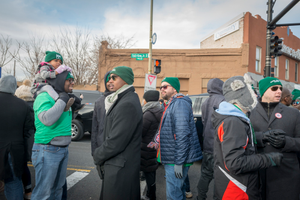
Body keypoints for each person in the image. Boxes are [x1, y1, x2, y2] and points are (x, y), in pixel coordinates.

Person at [212, 75, 283, 199]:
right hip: (237, 189)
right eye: (251, 91)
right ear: (241, 95)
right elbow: (235, 163)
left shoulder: (233, 118)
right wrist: (269, 159)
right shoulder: (234, 121)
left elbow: (240, 142)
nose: (255, 95)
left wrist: (262, 137)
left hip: (234, 186)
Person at [93, 66, 143, 200]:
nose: (110, 81)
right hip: (117, 166)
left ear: (125, 80)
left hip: (121, 170)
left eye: (114, 78)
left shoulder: (127, 103)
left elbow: (116, 141)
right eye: (109, 78)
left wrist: (97, 154)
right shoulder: (121, 99)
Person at [149, 77, 202, 200]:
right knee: (178, 191)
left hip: (175, 158)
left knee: (174, 195)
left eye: (165, 86)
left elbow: (182, 134)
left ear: (174, 89)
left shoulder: (179, 103)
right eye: (161, 87)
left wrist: (179, 162)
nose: (162, 89)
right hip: (173, 156)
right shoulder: (172, 103)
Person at [250, 77, 300, 200]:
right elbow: (242, 138)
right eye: (274, 88)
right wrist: (261, 138)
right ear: (263, 91)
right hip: (258, 174)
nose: (279, 91)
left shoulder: (293, 113)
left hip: (285, 175)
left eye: (280, 89)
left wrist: (286, 142)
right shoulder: (250, 113)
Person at [31, 71, 75, 200]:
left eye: (73, 80)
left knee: (57, 191)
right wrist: (62, 101)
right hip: (47, 149)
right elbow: (47, 119)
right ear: (60, 80)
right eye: (69, 80)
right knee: (43, 194)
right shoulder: (43, 97)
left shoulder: (62, 97)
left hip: (62, 149)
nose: (72, 82)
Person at [0, 75, 33, 200]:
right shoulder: (23, 105)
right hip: (15, 151)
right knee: (14, 182)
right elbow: (28, 132)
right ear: (14, 87)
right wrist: (28, 154)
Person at [197, 78, 225, 200]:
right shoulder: (223, 101)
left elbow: (203, 121)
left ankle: (200, 197)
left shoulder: (205, 102)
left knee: (205, 175)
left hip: (207, 145)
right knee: (220, 179)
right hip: (219, 147)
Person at [15, 79, 36, 200]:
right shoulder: (33, 105)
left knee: (20, 166)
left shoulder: (17, 104)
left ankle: (26, 190)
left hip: (17, 139)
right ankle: (29, 191)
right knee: (28, 165)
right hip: (32, 138)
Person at [141, 90, 163, 200]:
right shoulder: (159, 111)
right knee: (151, 173)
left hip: (146, 148)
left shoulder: (148, 114)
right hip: (154, 146)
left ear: (146, 100)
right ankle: (151, 194)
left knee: (148, 173)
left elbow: (141, 132)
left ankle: (151, 196)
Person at [91, 71, 113, 156]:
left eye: (113, 80)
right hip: (101, 146)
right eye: (108, 80)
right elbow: (94, 128)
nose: (110, 83)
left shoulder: (122, 100)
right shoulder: (99, 102)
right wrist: (94, 151)